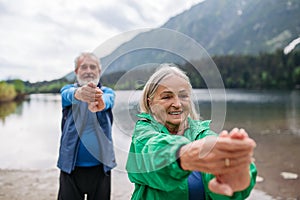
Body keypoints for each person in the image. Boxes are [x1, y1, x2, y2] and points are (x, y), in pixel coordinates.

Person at [126, 63, 257, 200]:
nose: (177, 104)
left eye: (183, 96)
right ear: (151, 103)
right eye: (166, 97)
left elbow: (217, 183)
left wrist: (233, 171)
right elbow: (150, 153)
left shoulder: (202, 133)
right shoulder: (143, 132)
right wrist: (182, 154)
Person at [57, 52, 116, 200]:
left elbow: (108, 100)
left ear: (99, 71)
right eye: (84, 67)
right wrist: (79, 93)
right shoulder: (68, 91)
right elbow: (67, 94)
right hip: (71, 167)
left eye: (93, 67)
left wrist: (99, 101)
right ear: (76, 71)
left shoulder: (108, 93)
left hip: (101, 166)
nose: (89, 71)